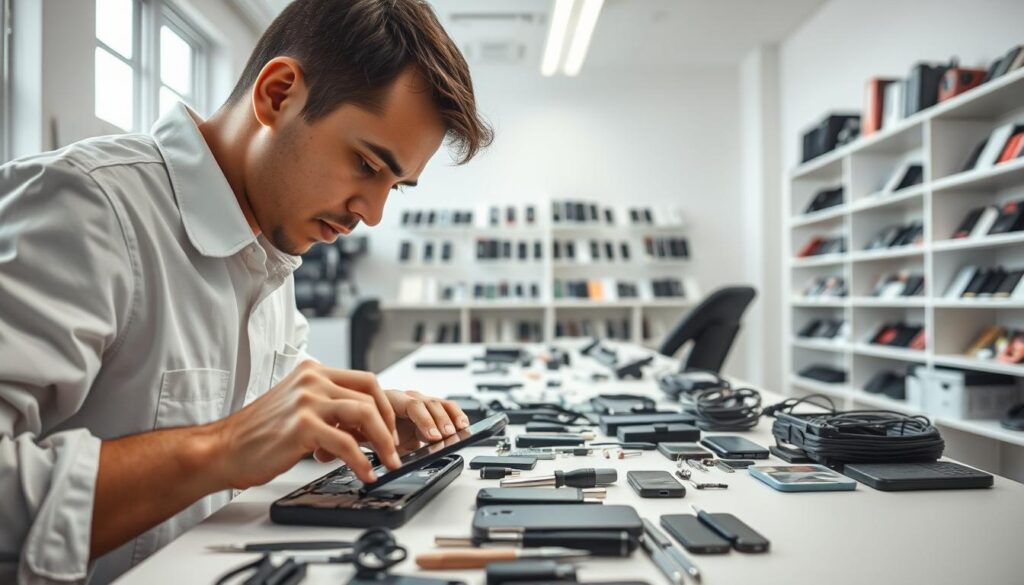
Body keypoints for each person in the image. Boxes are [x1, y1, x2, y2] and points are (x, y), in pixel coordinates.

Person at [0, 0, 492, 582]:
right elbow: (229, 438)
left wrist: (354, 417)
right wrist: (219, 447)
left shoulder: (268, 246)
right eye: (365, 163)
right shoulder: (86, 208)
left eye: (396, 185)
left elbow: (265, 401)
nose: (374, 213)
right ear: (278, 94)